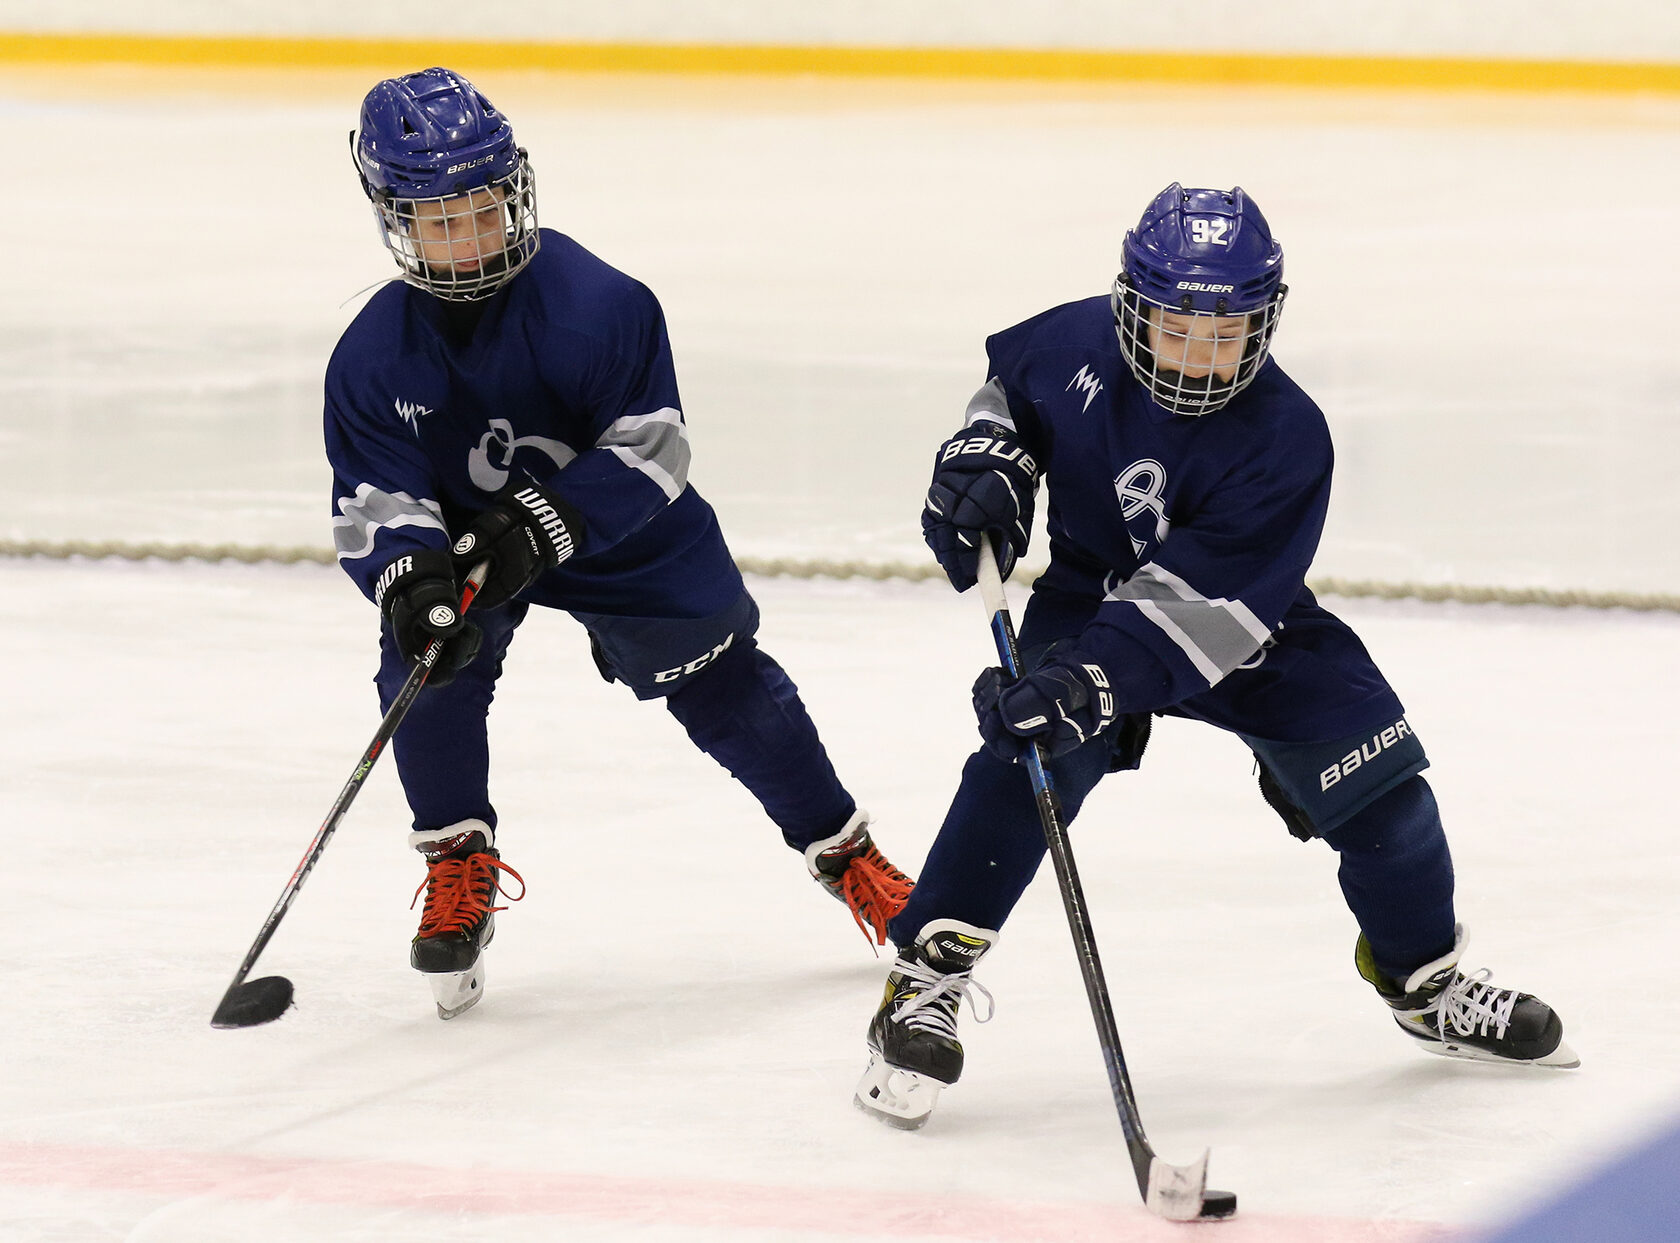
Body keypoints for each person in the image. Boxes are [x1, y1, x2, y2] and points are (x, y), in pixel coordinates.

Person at [854, 183, 1576, 1130]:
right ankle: (926, 975)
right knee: (1028, 760)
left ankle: (1423, 981)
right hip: (1086, 590)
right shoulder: (1069, 344)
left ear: (1263, 323)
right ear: (1131, 309)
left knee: (1389, 795)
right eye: (1178, 328)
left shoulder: (1287, 437)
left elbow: (1205, 609)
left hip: (1240, 612)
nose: (1200, 357)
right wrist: (987, 456)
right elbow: (1008, 395)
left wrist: (1093, 678)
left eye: (1226, 333)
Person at [325, 67, 912, 1020]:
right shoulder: (370, 355)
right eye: (440, 220)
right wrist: (409, 574)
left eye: (482, 208)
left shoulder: (601, 304)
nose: (470, 238)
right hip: (472, 540)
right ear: (395, 221)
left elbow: (654, 449)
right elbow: (374, 496)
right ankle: (457, 860)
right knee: (423, 661)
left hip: (619, 530)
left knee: (727, 686)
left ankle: (849, 858)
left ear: (513, 190)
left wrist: (548, 523)